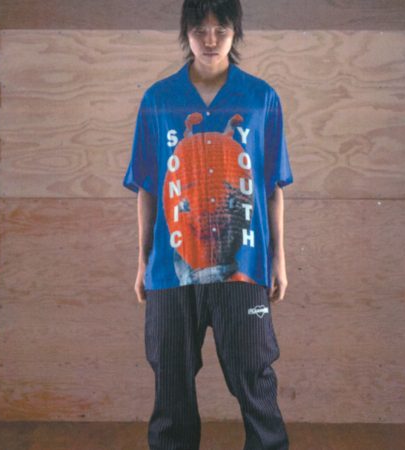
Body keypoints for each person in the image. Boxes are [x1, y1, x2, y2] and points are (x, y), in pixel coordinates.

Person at [122, 0, 293, 448]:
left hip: (245, 264)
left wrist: (278, 259)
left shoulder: (261, 98)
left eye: (222, 29)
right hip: (171, 268)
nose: (211, 39)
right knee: (171, 381)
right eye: (200, 29)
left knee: (254, 375)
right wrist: (142, 262)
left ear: (236, 32)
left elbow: (272, 186)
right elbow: (147, 186)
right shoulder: (158, 99)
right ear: (186, 33)